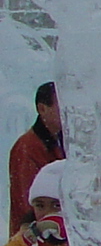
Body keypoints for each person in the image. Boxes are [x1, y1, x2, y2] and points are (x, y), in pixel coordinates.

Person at [8, 82, 62, 237]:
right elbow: (27, 205)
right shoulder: (26, 148)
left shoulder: (59, 141)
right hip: (36, 242)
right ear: (42, 109)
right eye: (61, 106)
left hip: (54, 238)